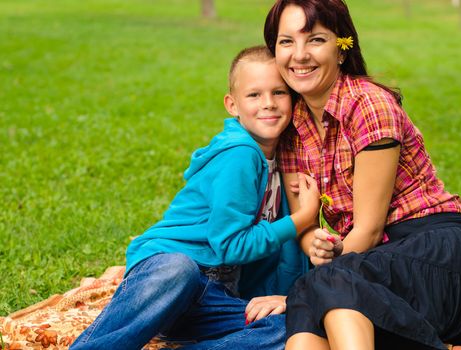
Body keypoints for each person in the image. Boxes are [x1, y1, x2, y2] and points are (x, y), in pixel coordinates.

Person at [263, 1, 461, 349]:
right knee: (315, 296)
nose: (300, 55)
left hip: (436, 253)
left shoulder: (369, 105)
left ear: (341, 48)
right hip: (373, 264)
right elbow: (304, 222)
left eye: (316, 40)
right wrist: (316, 247)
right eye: (286, 42)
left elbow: (368, 229)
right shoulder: (292, 128)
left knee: (321, 286)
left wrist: (327, 270)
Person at [70, 45, 320, 350]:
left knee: (290, 328)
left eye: (279, 92)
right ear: (232, 104)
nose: (268, 103)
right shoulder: (239, 154)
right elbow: (229, 244)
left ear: (293, 99)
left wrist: (288, 299)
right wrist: (301, 219)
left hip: (214, 299)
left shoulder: (285, 161)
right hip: (166, 280)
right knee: (179, 269)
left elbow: (278, 255)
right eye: (254, 95)